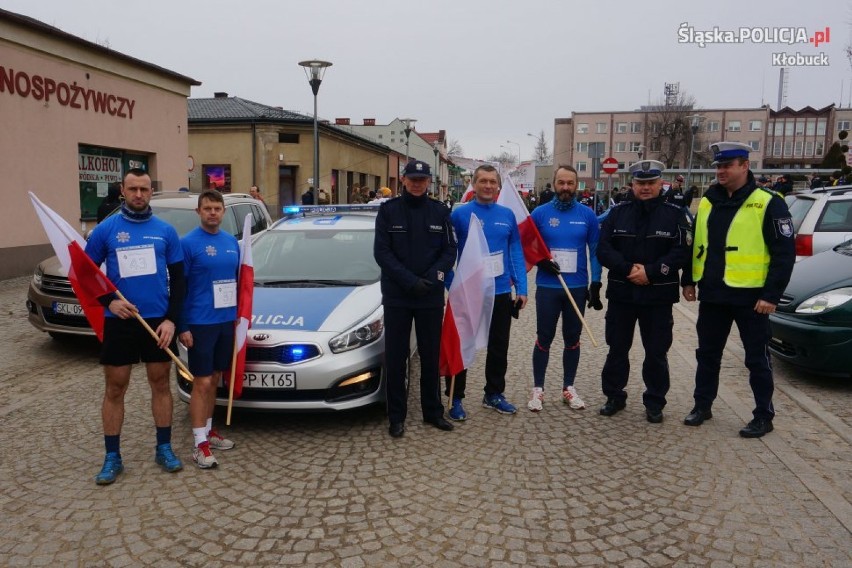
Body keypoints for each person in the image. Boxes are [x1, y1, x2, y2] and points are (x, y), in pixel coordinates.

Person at [681, 142, 795, 438]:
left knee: (756, 358)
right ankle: (702, 405)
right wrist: (689, 281)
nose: (720, 171)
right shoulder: (708, 200)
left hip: (752, 297)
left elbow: (784, 253)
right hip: (714, 294)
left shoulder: (768, 201)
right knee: (707, 354)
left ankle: (763, 414)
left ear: (744, 166)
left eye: (726, 166)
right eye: (718, 166)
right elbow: (696, 245)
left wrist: (771, 295)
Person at [85, 168, 186, 485]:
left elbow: (180, 280)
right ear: (122, 190)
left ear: (151, 192)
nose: (139, 195)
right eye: (133, 189)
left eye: (144, 189)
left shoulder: (166, 232)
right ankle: (112, 456)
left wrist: (171, 318)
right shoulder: (106, 230)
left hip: (156, 321)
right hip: (121, 322)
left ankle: (164, 447)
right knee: (115, 387)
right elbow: (86, 273)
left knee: (160, 384)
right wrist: (108, 302)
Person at [597, 161, 692, 422]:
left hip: (658, 296)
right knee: (617, 349)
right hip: (622, 294)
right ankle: (614, 396)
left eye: (651, 183)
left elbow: (682, 252)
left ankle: (655, 401)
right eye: (641, 183)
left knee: (656, 352)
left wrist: (650, 272)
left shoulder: (676, 215)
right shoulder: (617, 214)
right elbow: (603, 249)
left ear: (660, 183)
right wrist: (629, 269)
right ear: (632, 184)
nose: (646, 187)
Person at [374, 160, 457, 438]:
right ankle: (396, 416)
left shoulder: (440, 212)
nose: (417, 183)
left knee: (431, 357)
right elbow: (382, 253)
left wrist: (432, 279)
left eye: (422, 179)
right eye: (413, 178)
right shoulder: (388, 211)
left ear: (429, 181)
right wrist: (410, 281)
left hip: (430, 297)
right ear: (403, 179)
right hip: (398, 295)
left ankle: (432, 412)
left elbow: (449, 251)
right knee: (397, 358)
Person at [443, 164, 527, 420]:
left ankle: (494, 394)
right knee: (462, 343)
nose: (488, 186)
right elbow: (447, 253)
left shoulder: (507, 214)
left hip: (501, 291)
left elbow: (515, 251)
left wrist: (522, 287)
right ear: (474, 184)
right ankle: (455, 396)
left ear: (498, 186)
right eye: (483, 181)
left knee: (499, 346)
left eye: (492, 181)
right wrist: (452, 284)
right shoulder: (460, 214)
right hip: (469, 292)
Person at [528, 165, 602, 412]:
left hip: (577, 287)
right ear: (554, 183)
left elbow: (595, 252)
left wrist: (596, 282)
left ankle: (568, 388)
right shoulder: (539, 213)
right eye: (562, 183)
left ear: (577, 185)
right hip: (548, 286)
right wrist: (541, 262)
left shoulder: (587, 215)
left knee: (572, 339)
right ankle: (538, 389)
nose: (566, 188)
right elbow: (528, 246)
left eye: (571, 183)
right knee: (544, 338)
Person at [178, 189, 238, 469]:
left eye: (217, 208)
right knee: (201, 383)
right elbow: (180, 289)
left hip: (226, 321)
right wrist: (183, 325)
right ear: (198, 212)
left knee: (215, 379)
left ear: (223, 212)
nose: (212, 213)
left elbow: (239, 281)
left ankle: (209, 432)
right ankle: (198, 444)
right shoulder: (188, 244)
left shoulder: (231, 243)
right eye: (207, 208)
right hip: (200, 323)